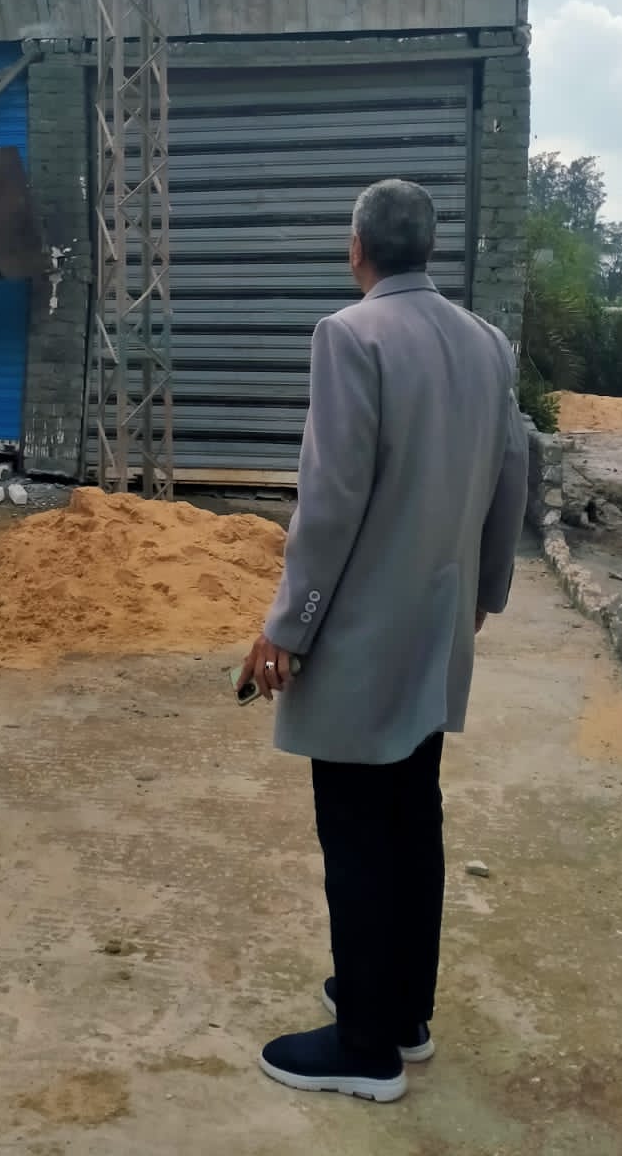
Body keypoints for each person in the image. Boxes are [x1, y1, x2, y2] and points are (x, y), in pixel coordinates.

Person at [237, 178, 528, 1105]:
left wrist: (286, 626)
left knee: (358, 831)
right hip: (437, 626)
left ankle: (364, 1047)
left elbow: (331, 501)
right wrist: (485, 593)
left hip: (363, 633)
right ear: (428, 249)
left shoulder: (351, 335)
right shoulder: (486, 343)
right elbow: (513, 472)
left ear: (357, 248)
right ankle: (402, 1010)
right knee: (412, 817)